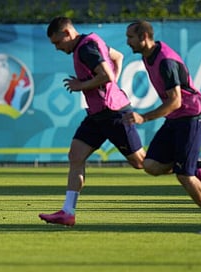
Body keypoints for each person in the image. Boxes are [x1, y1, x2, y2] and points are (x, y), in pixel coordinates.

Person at [124, 20, 201, 234]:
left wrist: (144, 118)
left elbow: (175, 101)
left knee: (184, 175)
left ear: (144, 37)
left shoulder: (165, 61)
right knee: (151, 165)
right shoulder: (148, 55)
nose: (128, 42)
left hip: (192, 115)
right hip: (176, 117)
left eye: (131, 37)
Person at [38, 17, 146, 226]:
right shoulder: (92, 41)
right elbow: (118, 57)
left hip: (114, 113)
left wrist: (82, 85)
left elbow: (106, 75)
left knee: (143, 163)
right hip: (97, 114)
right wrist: (109, 86)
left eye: (58, 43)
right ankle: (68, 212)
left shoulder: (86, 49)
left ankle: (200, 164)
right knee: (76, 155)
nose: (58, 48)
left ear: (67, 33)